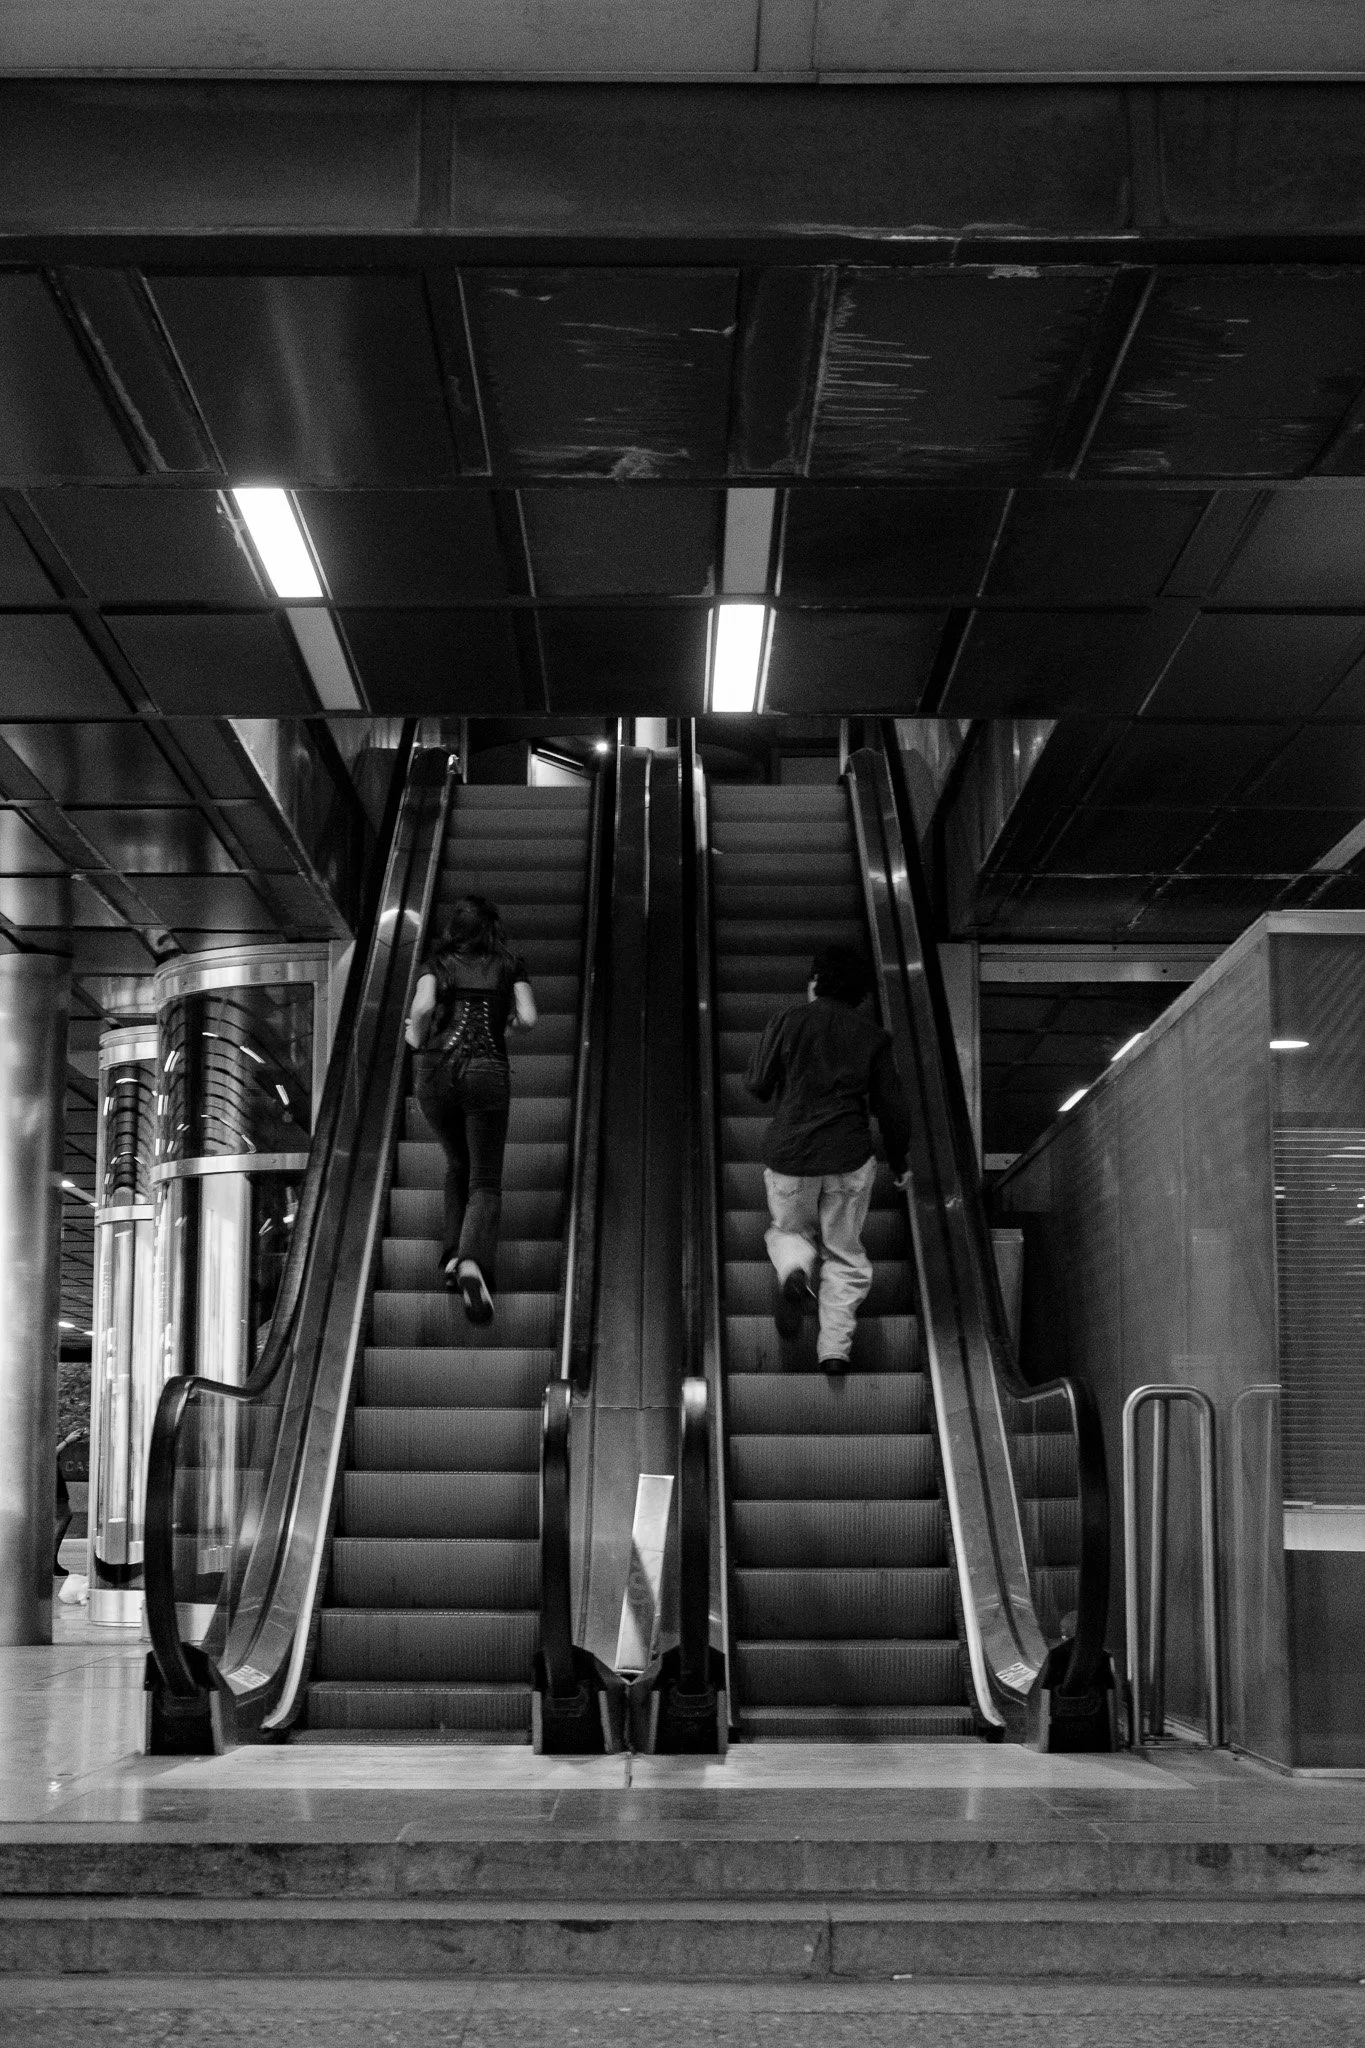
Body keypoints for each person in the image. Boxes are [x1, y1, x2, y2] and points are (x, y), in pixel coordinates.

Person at [745, 942, 911, 1374]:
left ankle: (794, 1273)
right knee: (845, 1254)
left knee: (788, 1230)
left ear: (816, 981)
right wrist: (900, 1161)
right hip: (849, 1155)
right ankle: (834, 1350)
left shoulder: (787, 1021)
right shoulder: (874, 1037)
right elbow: (892, 1106)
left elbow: (757, 1085)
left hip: (791, 1154)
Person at [406, 895, 537, 1325]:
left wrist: (416, 1038)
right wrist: (508, 1026)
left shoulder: (437, 963)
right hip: (486, 1070)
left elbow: (423, 1008)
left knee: (456, 1162)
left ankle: (451, 1256)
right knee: (484, 1178)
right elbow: (529, 1018)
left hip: (434, 1071)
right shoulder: (507, 964)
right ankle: (470, 1262)